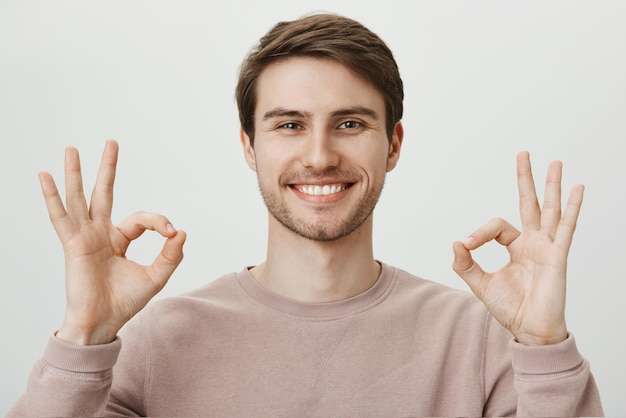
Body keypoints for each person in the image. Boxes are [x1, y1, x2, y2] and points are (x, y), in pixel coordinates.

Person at [8, 13, 603, 417]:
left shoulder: (481, 343)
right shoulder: (151, 344)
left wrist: (545, 345)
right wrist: (82, 337)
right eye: (289, 125)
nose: (319, 155)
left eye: (350, 123)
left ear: (393, 145)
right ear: (249, 146)